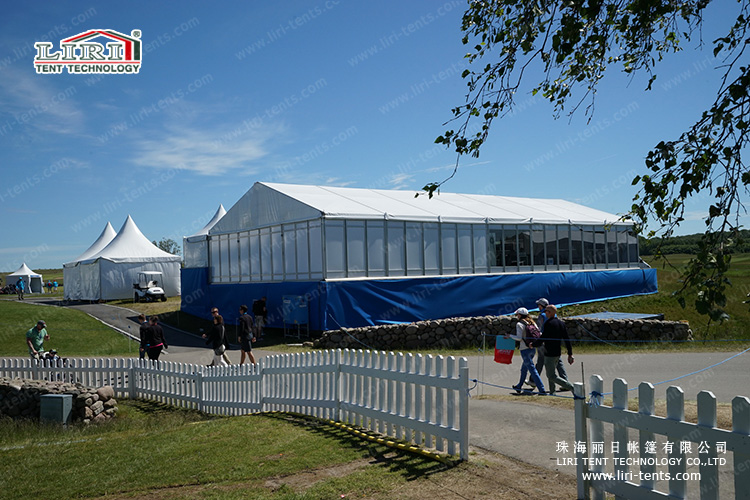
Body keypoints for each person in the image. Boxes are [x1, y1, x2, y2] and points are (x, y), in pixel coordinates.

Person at [505, 308, 546, 394]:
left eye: (517, 314)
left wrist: (510, 336)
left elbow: (519, 338)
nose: (517, 316)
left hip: (524, 348)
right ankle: (519, 386)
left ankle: (542, 389)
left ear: (520, 315)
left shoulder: (519, 324)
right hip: (533, 347)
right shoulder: (532, 322)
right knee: (524, 368)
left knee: (531, 369)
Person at [538, 304, 575, 394]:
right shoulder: (561, 323)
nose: (545, 313)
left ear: (550, 313)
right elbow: (567, 339)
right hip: (557, 353)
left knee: (551, 375)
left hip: (549, 353)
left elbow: (543, 337)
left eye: (546, 311)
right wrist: (570, 353)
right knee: (551, 372)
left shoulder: (548, 324)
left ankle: (572, 387)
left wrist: (533, 344)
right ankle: (552, 392)